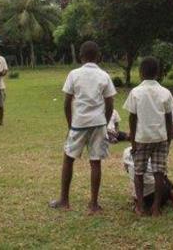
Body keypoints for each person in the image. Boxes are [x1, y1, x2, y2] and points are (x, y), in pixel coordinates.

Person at [49, 41, 116, 214]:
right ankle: (93, 204)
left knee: (68, 158)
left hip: (79, 123)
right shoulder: (104, 75)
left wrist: (70, 124)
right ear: (98, 56)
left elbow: (67, 102)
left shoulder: (74, 74)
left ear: (80, 56)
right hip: (98, 123)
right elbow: (110, 103)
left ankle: (64, 200)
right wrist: (105, 120)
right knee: (95, 162)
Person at [124, 56, 173, 216]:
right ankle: (156, 207)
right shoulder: (165, 92)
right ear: (158, 72)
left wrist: (133, 142)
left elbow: (132, 118)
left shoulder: (136, 92)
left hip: (142, 138)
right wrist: (169, 140)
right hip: (160, 138)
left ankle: (140, 206)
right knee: (159, 173)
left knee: (139, 172)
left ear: (140, 72)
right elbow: (169, 119)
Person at [122, 147, 173, 212]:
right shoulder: (155, 151)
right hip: (162, 194)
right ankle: (171, 193)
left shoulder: (127, 151)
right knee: (159, 177)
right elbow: (164, 176)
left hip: (144, 198)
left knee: (138, 178)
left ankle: (140, 205)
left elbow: (128, 171)